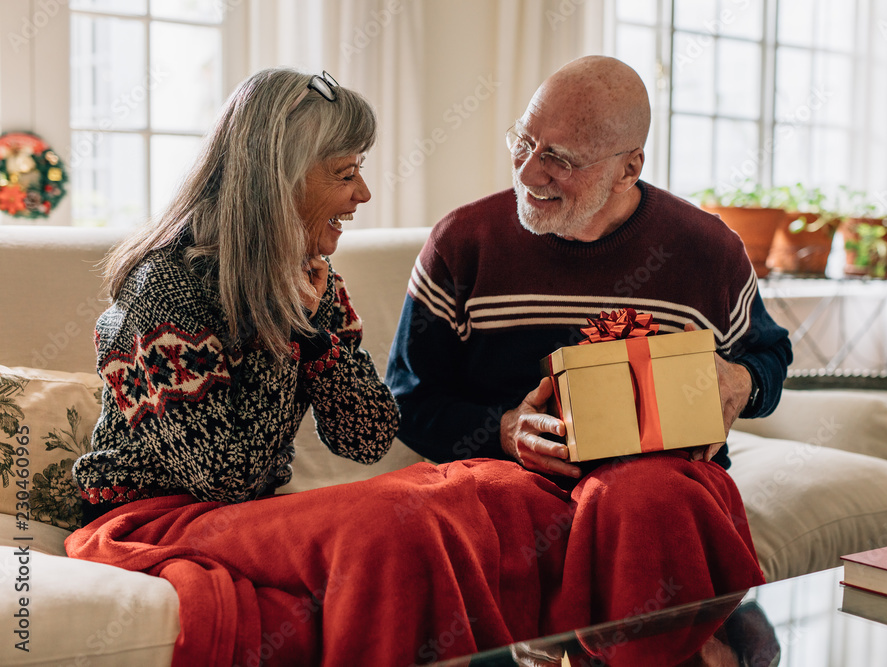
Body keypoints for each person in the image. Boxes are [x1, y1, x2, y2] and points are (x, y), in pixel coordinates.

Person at [66, 68, 576, 666]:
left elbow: (368, 436)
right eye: (345, 173)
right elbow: (227, 476)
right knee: (390, 525)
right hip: (153, 518)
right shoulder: (166, 289)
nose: (362, 194)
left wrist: (316, 338)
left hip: (244, 514)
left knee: (482, 488)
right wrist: (294, 331)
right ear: (278, 183)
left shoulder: (310, 277)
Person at [386, 55, 789, 628]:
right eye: (524, 141)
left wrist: (741, 380)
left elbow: (770, 357)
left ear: (629, 169)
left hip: (659, 492)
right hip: (511, 483)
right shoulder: (463, 243)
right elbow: (406, 399)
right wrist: (504, 430)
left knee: (640, 499)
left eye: (560, 159)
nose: (528, 172)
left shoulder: (707, 251)